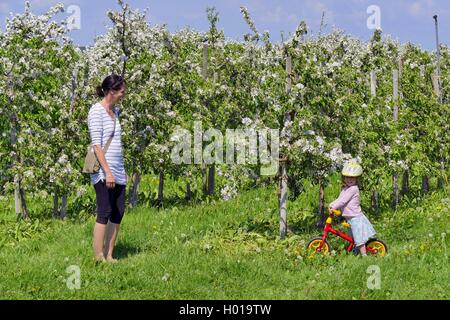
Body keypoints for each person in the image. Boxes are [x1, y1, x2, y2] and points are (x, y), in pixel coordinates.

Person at [88, 74, 127, 262]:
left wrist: (120, 169)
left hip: (118, 169)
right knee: (104, 211)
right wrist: (108, 172)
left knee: (118, 211)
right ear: (111, 91)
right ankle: (99, 257)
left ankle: (109, 254)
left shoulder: (115, 112)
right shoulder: (97, 111)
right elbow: (97, 145)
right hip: (104, 172)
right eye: (121, 91)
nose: (123, 94)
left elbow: (116, 143)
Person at [328, 160, 376, 256]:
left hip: (356, 218)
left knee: (358, 239)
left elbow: (343, 201)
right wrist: (331, 204)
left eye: (352, 178)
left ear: (356, 179)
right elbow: (339, 199)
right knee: (353, 237)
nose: (349, 179)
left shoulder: (353, 189)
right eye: (347, 177)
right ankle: (356, 252)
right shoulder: (345, 189)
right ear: (344, 178)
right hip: (350, 218)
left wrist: (333, 206)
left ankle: (364, 256)